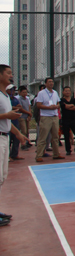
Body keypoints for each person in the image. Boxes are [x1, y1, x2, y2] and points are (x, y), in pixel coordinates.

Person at [0, 65, 30, 226]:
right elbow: (6, 116)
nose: (11, 76)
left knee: (2, 176)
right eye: (8, 73)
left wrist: (18, 133)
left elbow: (6, 119)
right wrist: (7, 115)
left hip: (5, 137)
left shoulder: (5, 96)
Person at [35, 77, 64, 162]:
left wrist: (57, 106)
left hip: (55, 116)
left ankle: (56, 154)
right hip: (46, 116)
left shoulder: (55, 92)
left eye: (52, 82)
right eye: (49, 82)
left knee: (55, 137)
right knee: (43, 137)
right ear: (46, 83)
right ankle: (39, 155)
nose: (51, 83)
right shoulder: (41, 93)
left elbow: (58, 103)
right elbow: (39, 105)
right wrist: (48, 107)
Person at [60, 86, 75, 155]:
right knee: (66, 136)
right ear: (63, 92)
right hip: (65, 120)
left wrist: (68, 106)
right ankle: (68, 150)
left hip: (73, 119)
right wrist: (70, 106)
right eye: (66, 91)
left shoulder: (73, 99)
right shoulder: (61, 100)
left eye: (68, 91)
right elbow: (64, 107)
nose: (67, 92)